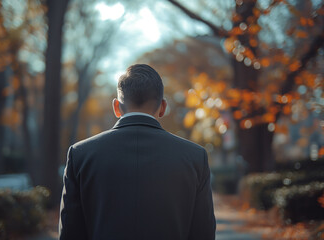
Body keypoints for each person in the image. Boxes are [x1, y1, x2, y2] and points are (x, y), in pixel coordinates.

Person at [59, 64, 216, 240]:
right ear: (163, 107)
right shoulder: (195, 157)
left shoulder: (80, 154)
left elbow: (70, 233)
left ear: (116, 107)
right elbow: (204, 233)